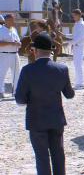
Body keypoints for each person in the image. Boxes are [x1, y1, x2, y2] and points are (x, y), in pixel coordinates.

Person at [15, 32, 75, 175]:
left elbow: (20, 99)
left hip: (36, 120)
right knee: (59, 155)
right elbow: (70, 94)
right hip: (56, 119)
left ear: (35, 51)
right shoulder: (62, 69)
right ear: (51, 50)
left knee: (42, 157)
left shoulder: (27, 70)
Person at [0, 14, 21, 99]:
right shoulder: (1, 30)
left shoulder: (14, 30)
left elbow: (19, 42)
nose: (14, 22)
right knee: (1, 73)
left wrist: (19, 44)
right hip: (4, 54)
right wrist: (11, 43)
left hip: (15, 54)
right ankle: (0, 91)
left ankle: (16, 91)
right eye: (12, 20)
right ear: (7, 20)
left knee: (17, 74)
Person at [70, 9, 84, 90]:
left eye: (74, 15)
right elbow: (74, 35)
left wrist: (69, 43)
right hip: (76, 47)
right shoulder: (77, 24)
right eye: (73, 16)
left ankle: (80, 84)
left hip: (79, 47)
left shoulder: (82, 25)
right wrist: (64, 35)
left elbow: (80, 37)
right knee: (76, 65)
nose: (73, 17)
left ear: (79, 15)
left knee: (78, 65)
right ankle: (78, 82)